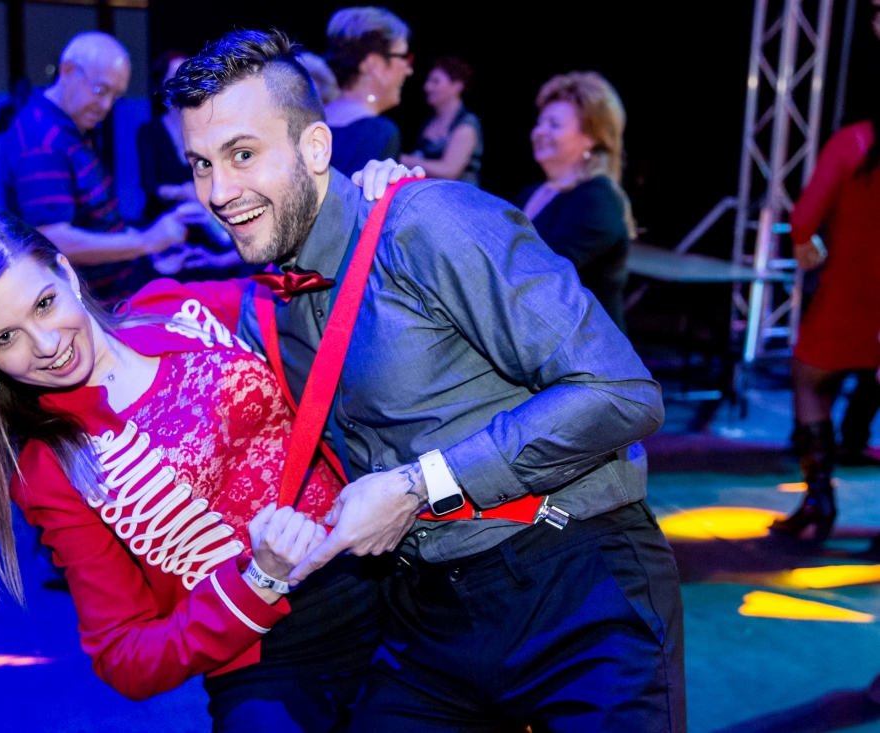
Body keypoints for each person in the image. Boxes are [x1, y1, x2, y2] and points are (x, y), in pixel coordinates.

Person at [169, 30, 683, 731]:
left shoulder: (427, 225)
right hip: (427, 615)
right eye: (201, 164)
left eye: (243, 154)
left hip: (574, 582)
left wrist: (421, 483)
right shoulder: (267, 308)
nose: (220, 192)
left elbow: (621, 392)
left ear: (315, 148)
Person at [0, 164, 421, 731]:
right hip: (278, 654)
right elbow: (124, 656)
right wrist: (260, 578)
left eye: (44, 304)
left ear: (66, 273)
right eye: (5, 339)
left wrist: (362, 207)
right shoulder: (51, 470)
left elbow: (318, 297)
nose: (47, 344)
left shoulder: (174, 309)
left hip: (389, 561)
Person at [1, 32, 207, 303]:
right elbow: (54, 239)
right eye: (100, 90)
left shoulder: (67, 125)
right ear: (67, 70)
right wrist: (145, 242)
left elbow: (94, 219)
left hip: (107, 297)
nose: (106, 106)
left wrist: (144, 246)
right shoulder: (43, 139)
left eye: (116, 96)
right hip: (83, 306)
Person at [772, 110, 880, 542]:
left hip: (851, 293)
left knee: (810, 380)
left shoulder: (855, 142)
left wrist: (807, 245)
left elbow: (803, 217)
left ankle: (819, 498)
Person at [513, 72, 635, 332]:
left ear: (590, 136)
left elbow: (543, 272)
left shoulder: (598, 199)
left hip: (588, 352)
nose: (540, 132)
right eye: (540, 122)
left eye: (554, 125)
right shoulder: (530, 193)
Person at [137, 52, 241, 280]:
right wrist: (182, 192)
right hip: (167, 225)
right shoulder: (149, 132)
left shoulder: (207, 128)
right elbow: (149, 184)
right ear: (163, 85)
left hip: (207, 227)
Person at [323, 7, 413, 177]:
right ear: (374, 64)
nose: (408, 70)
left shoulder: (310, 119)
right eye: (403, 57)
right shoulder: (379, 132)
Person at [400, 56, 482, 185]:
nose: (427, 87)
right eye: (428, 81)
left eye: (435, 81)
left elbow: (449, 171)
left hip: (458, 195)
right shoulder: (430, 119)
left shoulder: (467, 123)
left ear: (457, 86)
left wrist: (401, 158)